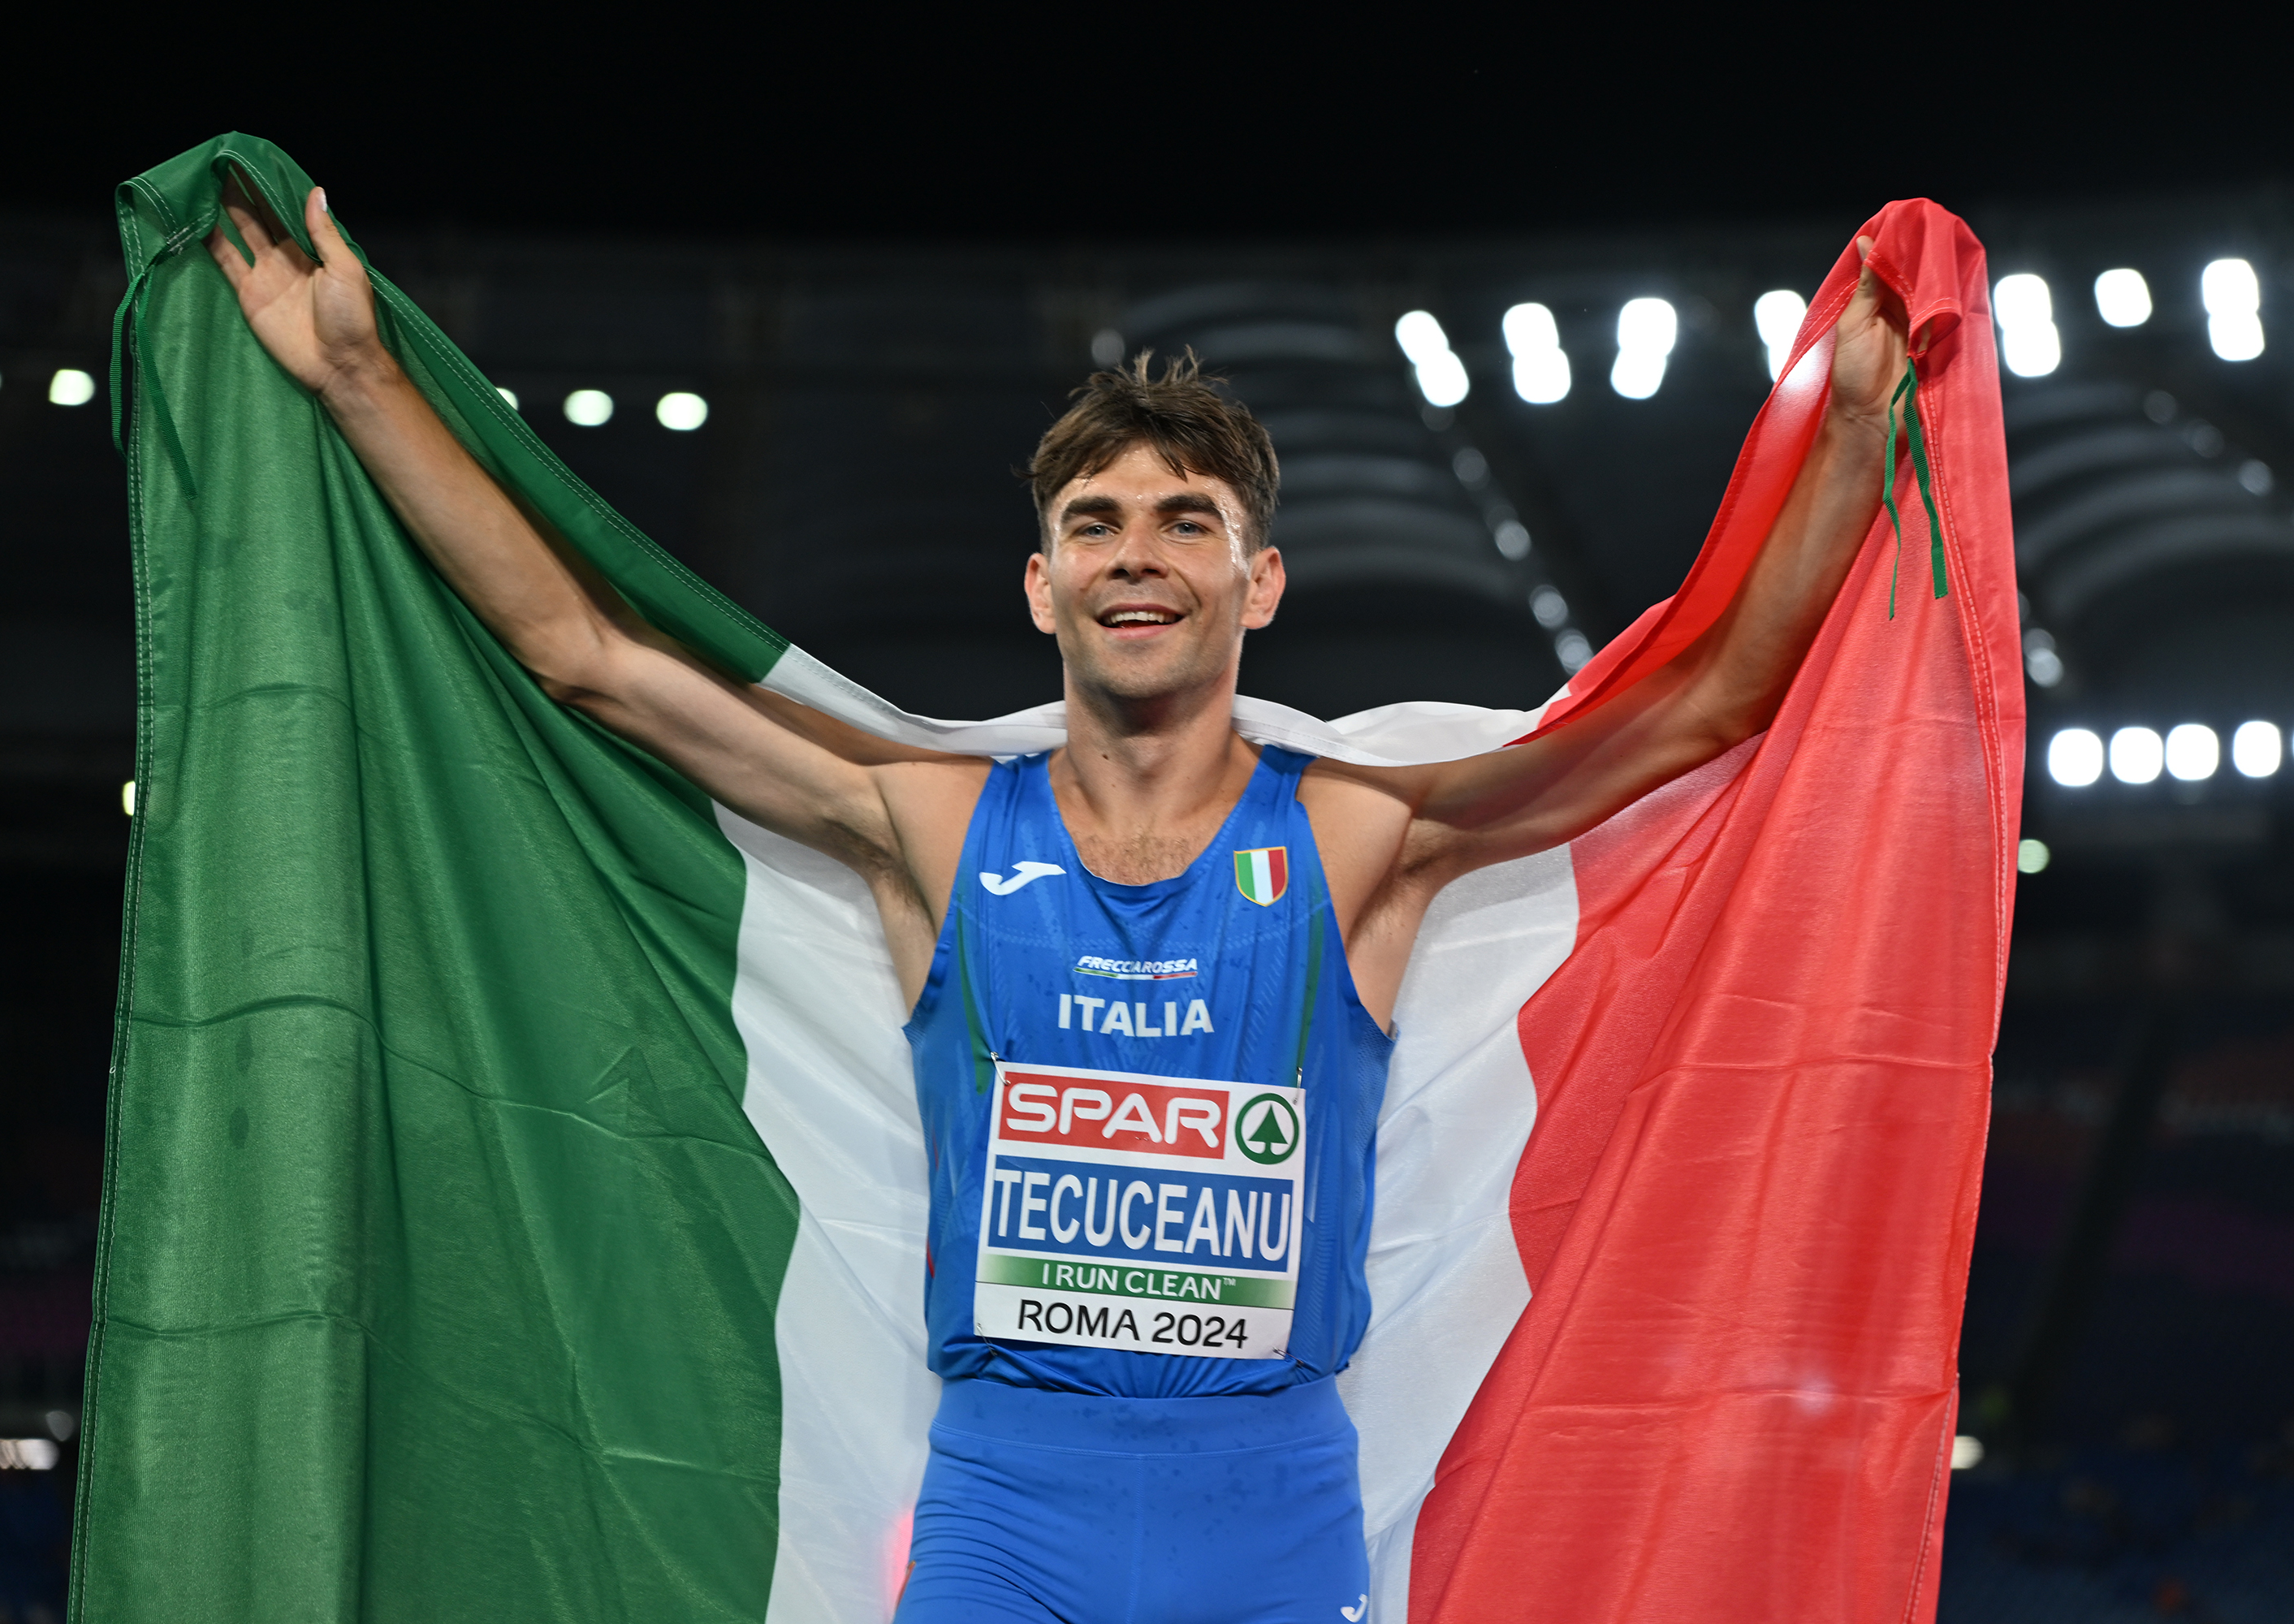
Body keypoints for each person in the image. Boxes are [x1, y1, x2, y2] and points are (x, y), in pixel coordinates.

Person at [207, 184, 1910, 1624]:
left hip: (1271, 1518)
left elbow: (1709, 704)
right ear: (1043, 586)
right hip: (1008, 1517)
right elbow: (585, 655)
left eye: (1186, 522)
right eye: (1094, 525)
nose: (1136, 552)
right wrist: (358, 377)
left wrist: (1844, 431)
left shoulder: (1361, 839)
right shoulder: (931, 826)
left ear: (1258, 581)